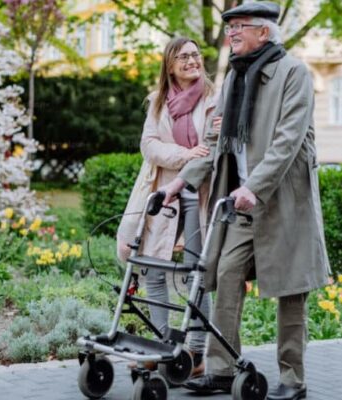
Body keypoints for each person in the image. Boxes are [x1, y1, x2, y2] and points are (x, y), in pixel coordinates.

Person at [159, 2, 331, 400]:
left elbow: (288, 141)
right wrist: (182, 181)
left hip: (284, 203)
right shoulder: (234, 78)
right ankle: (221, 370)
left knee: (291, 291)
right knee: (226, 275)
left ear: (264, 33)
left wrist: (255, 185)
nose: (231, 34)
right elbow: (217, 142)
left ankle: (293, 379)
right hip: (240, 204)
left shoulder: (294, 74)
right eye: (230, 27)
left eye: (239, 27)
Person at [116, 37, 216, 377]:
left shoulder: (215, 99)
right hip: (164, 193)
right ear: (170, 65)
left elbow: (213, 148)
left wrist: (192, 162)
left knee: (195, 275)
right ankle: (161, 347)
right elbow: (149, 146)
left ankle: (196, 354)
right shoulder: (158, 101)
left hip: (199, 194)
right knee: (153, 268)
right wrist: (186, 155)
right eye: (184, 56)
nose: (192, 61)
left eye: (196, 55)